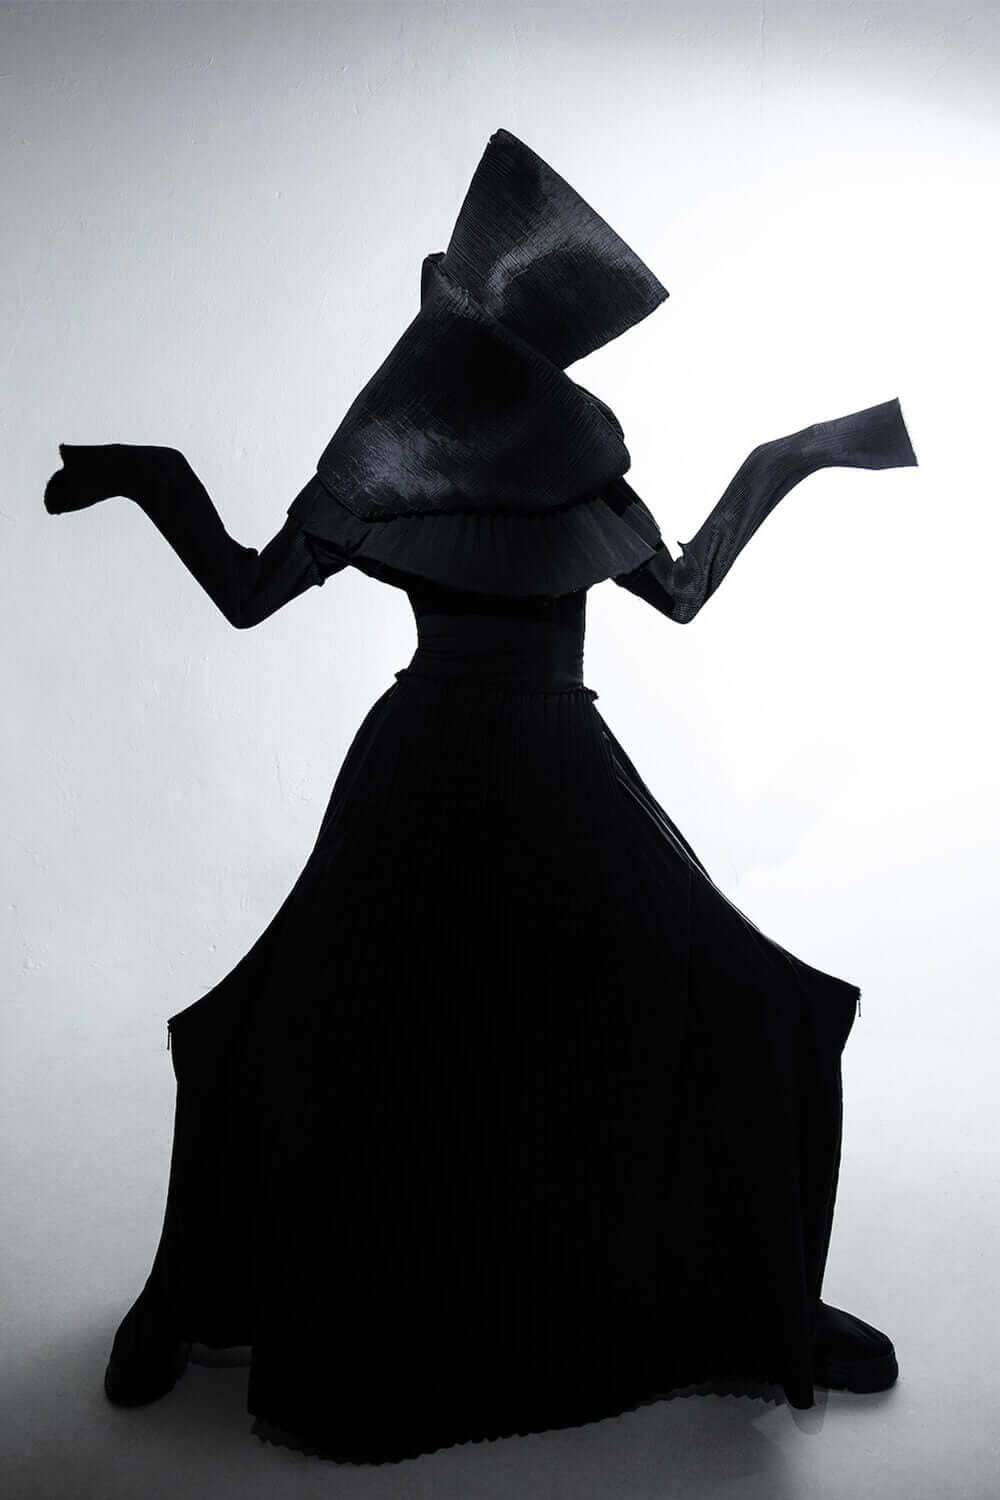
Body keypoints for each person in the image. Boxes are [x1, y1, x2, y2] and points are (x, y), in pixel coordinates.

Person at [44, 127, 917, 1466]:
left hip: (563, 779)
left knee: (719, 992)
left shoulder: (579, 467)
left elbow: (681, 589)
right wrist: (153, 478)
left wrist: (794, 454)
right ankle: (186, 1290)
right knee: (291, 1023)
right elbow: (249, 591)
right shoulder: (387, 461)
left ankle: (758, 1299)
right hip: (425, 780)